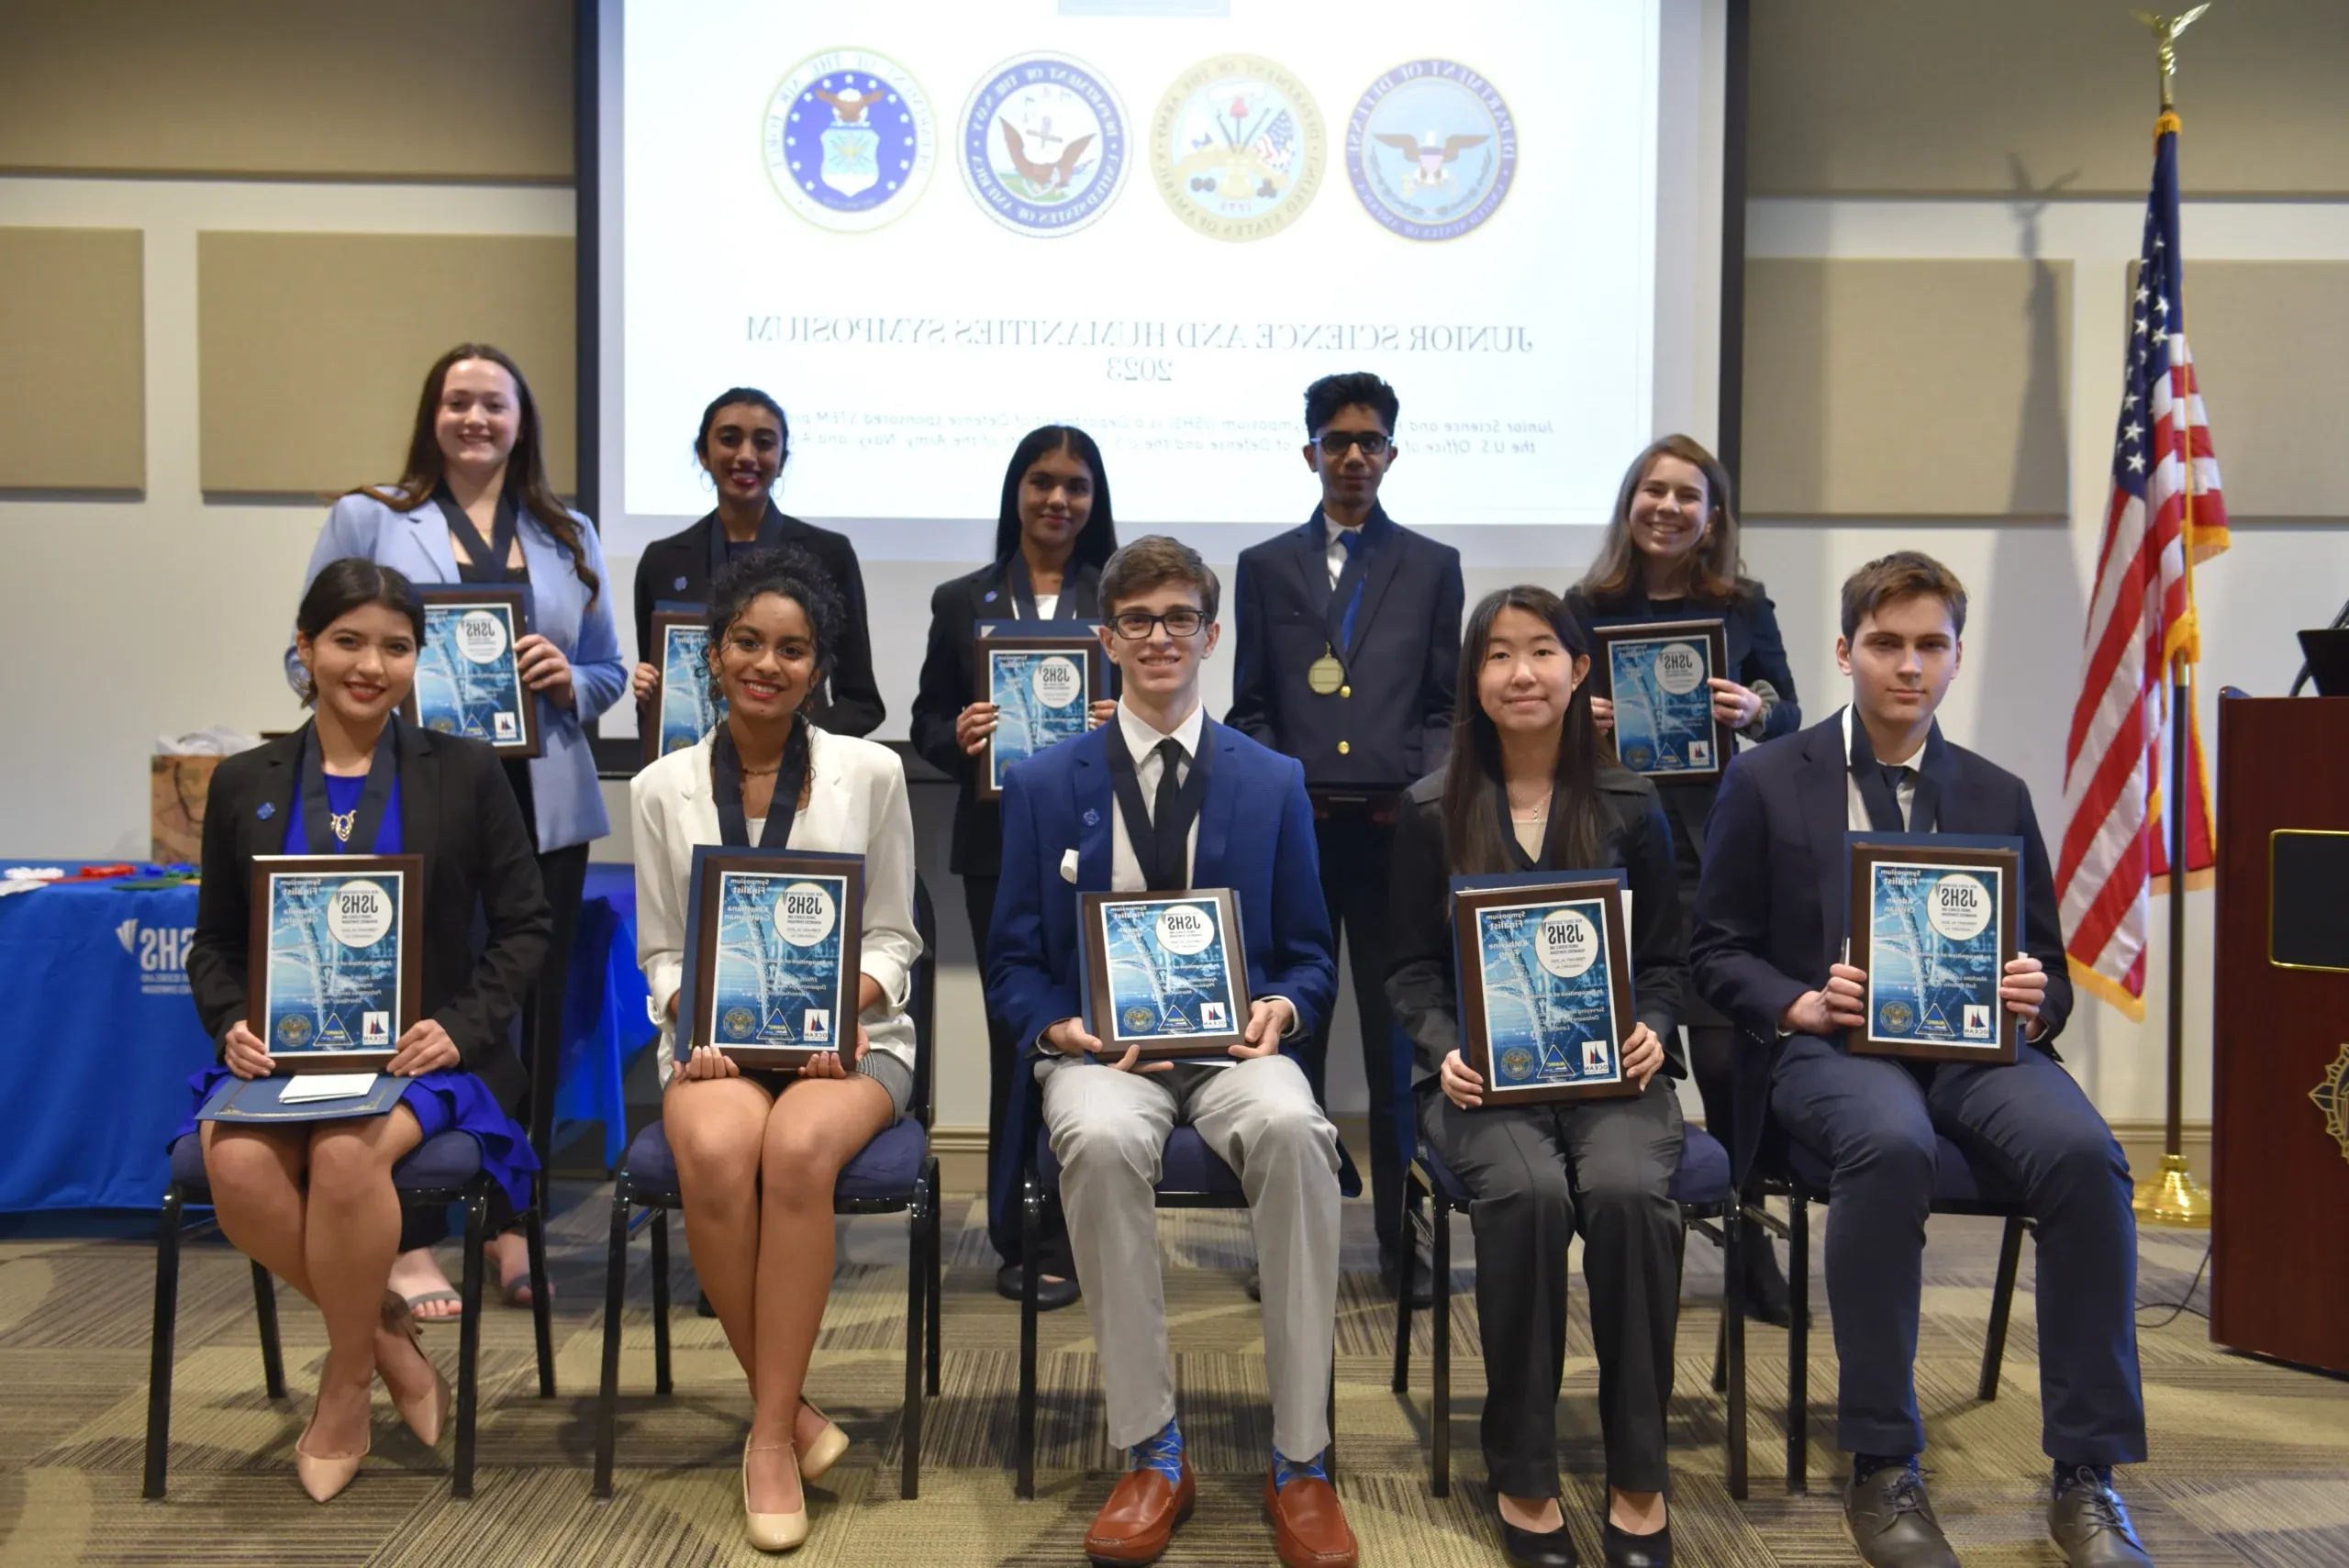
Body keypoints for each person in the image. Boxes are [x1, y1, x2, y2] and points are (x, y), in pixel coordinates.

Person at [1690, 552, 2151, 1568]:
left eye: (1929, 645)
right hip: (1829, 1050)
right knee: (1890, 1144)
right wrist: (1799, 999)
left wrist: (2034, 995)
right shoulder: (1765, 777)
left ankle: (2088, 1474)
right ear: (1846, 652)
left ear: (1953, 657)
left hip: (1977, 1055)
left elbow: (2054, 973)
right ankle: (1883, 1459)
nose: (1908, 665)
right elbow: (1713, 950)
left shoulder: (1995, 790)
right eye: (1887, 643)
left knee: (2085, 1154)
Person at [985, 537, 1355, 1568]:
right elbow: (1013, 959)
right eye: (1138, 619)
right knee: (1097, 1144)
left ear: (1211, 632)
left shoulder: (1273, 778)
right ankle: (1151, 1447)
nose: (1159, 636)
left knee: (1293, 1125)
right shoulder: (1043, 779)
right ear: (1105, 638)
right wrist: (1058, 1028)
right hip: (1103, 1055)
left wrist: (1284, 1006)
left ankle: (1301, 1456)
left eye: (1179, 617)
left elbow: (1306, 952)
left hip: (1238, 1050)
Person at [184, 560, 551, 1501]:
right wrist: (230, 1023)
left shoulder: (464, 771)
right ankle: (384, 1334)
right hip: (286, 1056)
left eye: (394, 645)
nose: (369, 664)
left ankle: (343, 1385)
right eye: (347, 640)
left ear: (415, 660)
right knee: (232, 1163)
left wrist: (457, 1027)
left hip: (423, 1057)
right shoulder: (243, 781)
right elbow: (215, 945)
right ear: (303, 648)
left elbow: (526, 926)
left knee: (349, 1159)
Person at [291, 342, 624, 1317]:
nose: (476, 418)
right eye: (458, 401)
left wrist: (570, 676)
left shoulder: (569, 533)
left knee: (530, 1016)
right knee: (417, 1007)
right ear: (431, 414)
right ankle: (409, 1230)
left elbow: (607, 672)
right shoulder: (371, 517)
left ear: (522, 422)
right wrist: (375, 689)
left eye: (495, 404)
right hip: (415, 799)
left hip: (540, 803)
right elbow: (300, 648)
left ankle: (512, 1219)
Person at [1387, 586, 1686, 1568]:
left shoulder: (1634, 802)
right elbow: (1408, 969)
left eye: (1543, 651)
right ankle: (1522, 1466)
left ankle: (1638, 1473)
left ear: (1579, 669)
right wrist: (1445, 1050)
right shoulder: (1430, 810)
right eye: (1498, 655)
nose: (1522, 672)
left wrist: (1651, 1022)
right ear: (1472, 679)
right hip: (1481, 1081)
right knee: (1524, 1192)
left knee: (1632, 1190)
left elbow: (1674, 958)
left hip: (1613, 1075)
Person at [632, 547, 922, 1552]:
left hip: (852, 1041)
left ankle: (763, 1438)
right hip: (714, 1045)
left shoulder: (872, 771)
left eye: (792, 649)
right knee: (714, 1152)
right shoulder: (661, 784)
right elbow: (661, 947)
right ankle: (786, 1414)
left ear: (817, 666)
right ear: (713, 654)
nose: (768, 662)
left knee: (796, 1153)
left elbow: (895, 933)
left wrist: (851, 1002)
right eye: (748, 642)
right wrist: (691, 1014)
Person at [1227, 370, 1464, 1306]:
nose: (1354, 456)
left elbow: (1445, 704)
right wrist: (1277, 790)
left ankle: (1403, 1245)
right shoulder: (1263, 565)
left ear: (1392, 454)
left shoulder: (1432, 564)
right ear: (1310, 452)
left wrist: (1424, 792)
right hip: (1298, 835)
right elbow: (1249, 705)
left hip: (1397, 835)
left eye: (1370, 441)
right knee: (1291, 1041)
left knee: (1397, 1048)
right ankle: (1289, 1240)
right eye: (1337, 440)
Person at [1564, 434, 1803, 1327]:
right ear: (1630, 503)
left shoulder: (1742, 606)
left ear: (1711, 517)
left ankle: (1746, 1232)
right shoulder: (1583, 607)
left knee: (1729, 1057)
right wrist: (1568, 716)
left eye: (1686, 496)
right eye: (1651, 491)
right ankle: (1623, 1226)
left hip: (1713, 845)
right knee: (1625, 1054)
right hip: (1607, 848)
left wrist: (1756, 709)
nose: (1666, 506)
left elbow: (1789, 712)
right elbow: (1529, 710)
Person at [908, 425, 1119, 1309]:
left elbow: (1174, 699)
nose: (1058, 501)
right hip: (1000, 847)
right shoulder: (963, 601)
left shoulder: (1121, 597)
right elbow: (922, 725)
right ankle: (1016, 1231)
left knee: (1100, 1038)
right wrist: (958, 736)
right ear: (1016, 491)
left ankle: (1091, 1225)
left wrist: (1129, 713)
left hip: (1108, 844)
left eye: (1076, 486)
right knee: (1015, 1040)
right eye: (1042, 483)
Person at [631, 387, 885, 737]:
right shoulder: (661, 562)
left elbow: (861, 701)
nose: (746, 455)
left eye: (764, 443)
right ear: (703, 454)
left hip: (804, 775)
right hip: (695, 774)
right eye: (729, 439)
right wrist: (652, 698)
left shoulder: (829, 555)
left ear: (782, 461)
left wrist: (801, 748)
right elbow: (660, 694)